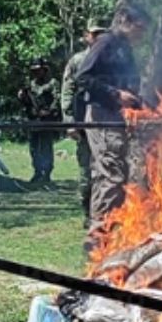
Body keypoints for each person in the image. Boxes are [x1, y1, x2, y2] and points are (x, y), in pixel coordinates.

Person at [67, 7, 150, 251]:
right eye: (139, 28)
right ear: (125, 21)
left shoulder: (126, 50)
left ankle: (112, 232)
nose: (141, 35)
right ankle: (96, 236)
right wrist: (115, 94)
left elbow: (131, 88)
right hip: (102, 115)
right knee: (109, 173)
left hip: (118, 117)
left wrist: (146, 106)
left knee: (121, 174)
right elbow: (83, 78)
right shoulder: (105, 42)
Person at [59, 21, 110, 225]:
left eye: (102, 33)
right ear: (86, 35)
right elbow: (67, 90)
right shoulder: (78, 60)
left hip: (108, 123)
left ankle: (105, 213)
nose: (98, 37)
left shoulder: (113, 60)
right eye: (95, 33)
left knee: (107, 170)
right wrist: (69, 121)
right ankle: (88, 214)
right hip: (84, 123)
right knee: (86, 171)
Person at [18, 58, 60, 185]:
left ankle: (46, 173)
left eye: (39, 70)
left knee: (46, 146)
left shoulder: (52, 83)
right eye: (34, 71)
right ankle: (37, 171)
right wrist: (22, 96)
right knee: (34, 147)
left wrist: (49, 111)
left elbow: (57, 99)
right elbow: (25, 103)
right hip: (34, 119)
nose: (37, 73)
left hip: (47, 119)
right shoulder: (31, 85)